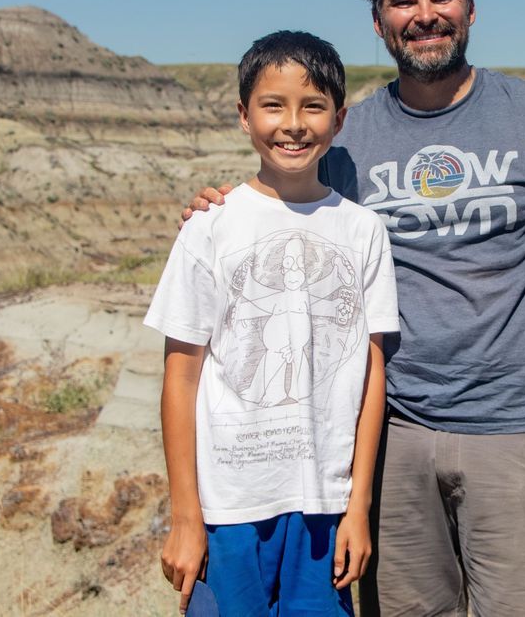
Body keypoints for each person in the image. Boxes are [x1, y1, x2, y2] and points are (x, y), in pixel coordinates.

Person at [184, 0, 525, 616]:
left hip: (513, 431)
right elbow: (288, 204)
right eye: (403, 1)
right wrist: (220, 206)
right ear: (379, 21)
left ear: (471, 7)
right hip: (390, 436)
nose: (425, 14)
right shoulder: (348, 137)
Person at [148, 31, 399, 615]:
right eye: (273, 105)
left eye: (313, 106)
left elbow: (371, 375)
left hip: (325, 510)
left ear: (338, 121)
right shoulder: (211, 227)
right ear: (243, 116)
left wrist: (357, 506)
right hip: (229, 511)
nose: (293, 124)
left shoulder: (363, 232)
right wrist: (186, 518)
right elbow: (180, 379)